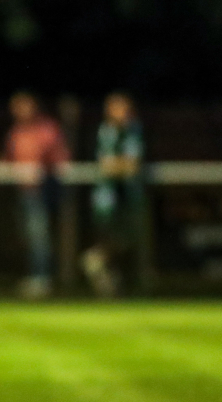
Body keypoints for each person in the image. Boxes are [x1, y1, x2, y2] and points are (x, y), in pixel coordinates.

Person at [4, 91, 70, 299]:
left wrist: (42, 167)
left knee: (39, 235)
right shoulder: (16, 132)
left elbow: (59, 157)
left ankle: (43, 278)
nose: (20, 111)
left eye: (24, 105)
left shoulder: (47, 128)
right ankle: (36, 276)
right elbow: (11, 159)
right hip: (23, 192)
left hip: (44, 192)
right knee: (28, 236)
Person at [81, 92, 146, 297]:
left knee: (129, 239)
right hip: (107, 199)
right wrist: (122, 165)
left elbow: (133, 166)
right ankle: (104, 270)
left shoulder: (134, 130)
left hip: (129, 197)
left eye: (124, 108)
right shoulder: (105, 131)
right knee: (110, 237)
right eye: (116, 108)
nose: (121, 112)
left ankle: (102, 265)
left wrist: (121, 165)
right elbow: (107, 166)